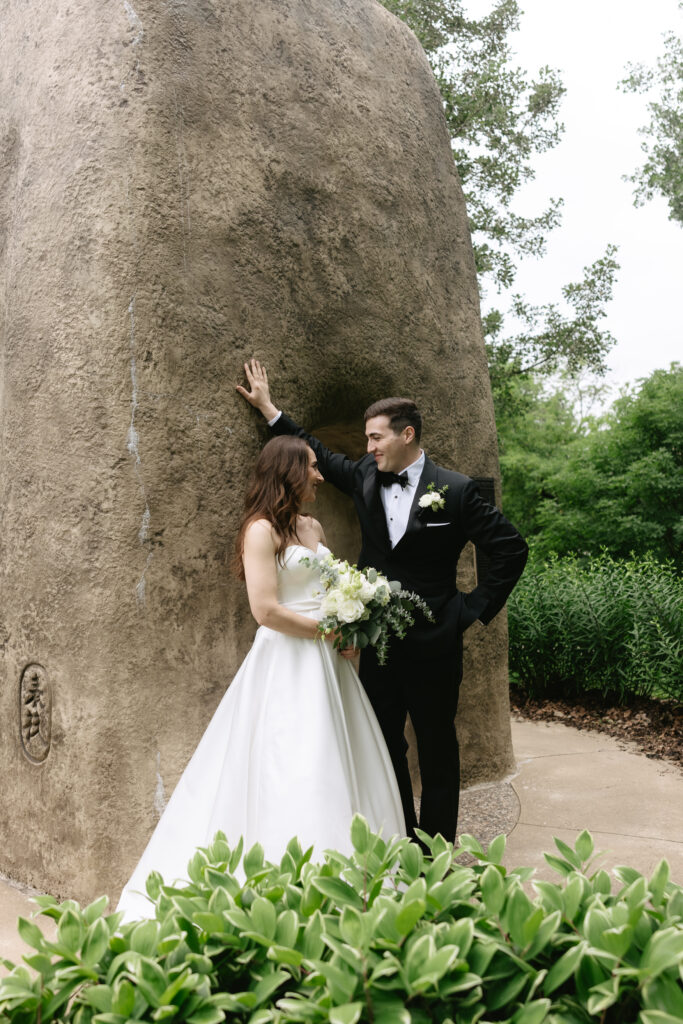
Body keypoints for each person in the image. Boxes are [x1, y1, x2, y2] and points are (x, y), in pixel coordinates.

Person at [237, 359, 528, 844]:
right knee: (383, 743)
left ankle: (437, 850)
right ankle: (401, 839)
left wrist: (469, 610)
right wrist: (270, 410)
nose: (367, 447)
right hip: (375, 644)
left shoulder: (455, 491)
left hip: (436, 641)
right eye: (367, 440)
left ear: (406, 434)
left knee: (436, 746)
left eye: (375, 438)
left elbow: (511, 549)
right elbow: (316, 453)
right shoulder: (365, 478)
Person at [116, 435, 405, 922]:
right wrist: (329, 629)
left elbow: (326, 584)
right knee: (292, 760)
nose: (318, 475)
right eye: (312, 467)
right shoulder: (260, 530)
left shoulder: (311, 525)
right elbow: (266, 610)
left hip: (330, 664)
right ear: (289, 471)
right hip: (288, 660)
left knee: (340, 754)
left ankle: (350, 876)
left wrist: (350, 622)